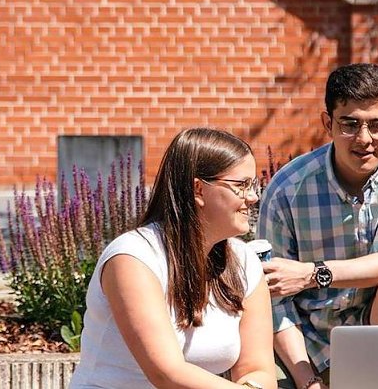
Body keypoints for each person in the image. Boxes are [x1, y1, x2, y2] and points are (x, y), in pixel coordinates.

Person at [256, 63, 378, 389]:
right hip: (312, 345)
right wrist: (309, 381)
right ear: (327, 123)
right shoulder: (287, 190)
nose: (364, 139)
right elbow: (273, 303)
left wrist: (313, 273)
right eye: (349, 124)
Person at [70, 128, 277, 389]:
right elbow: (167, 374)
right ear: (199, 189)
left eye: (254, 185)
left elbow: (256, 368)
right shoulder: (133, 258)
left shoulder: (244, 261)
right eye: (241, 185)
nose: (254, 196)